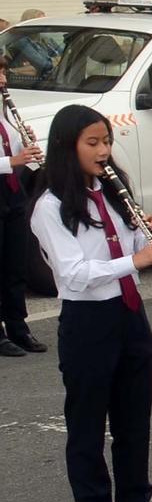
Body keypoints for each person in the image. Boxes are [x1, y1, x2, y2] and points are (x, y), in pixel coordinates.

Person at [28, 105, 152, 502]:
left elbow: (135, 245)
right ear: (66, 147)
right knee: (88, 425)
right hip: (88, 321)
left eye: (106, 142)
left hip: (129, 315)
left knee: (135, 419)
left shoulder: (112, 191)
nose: (103, 151)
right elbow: (73, 273)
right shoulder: (50, 207)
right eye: (92, 143)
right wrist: (136, 259)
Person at [0, 61, 47, 357]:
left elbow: (13, 150)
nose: (3, 78)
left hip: (12, 191)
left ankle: (18, 325)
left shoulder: (3, 109)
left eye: (3, 71)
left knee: (15, 261)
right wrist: (13, 162)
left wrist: (25, 145)